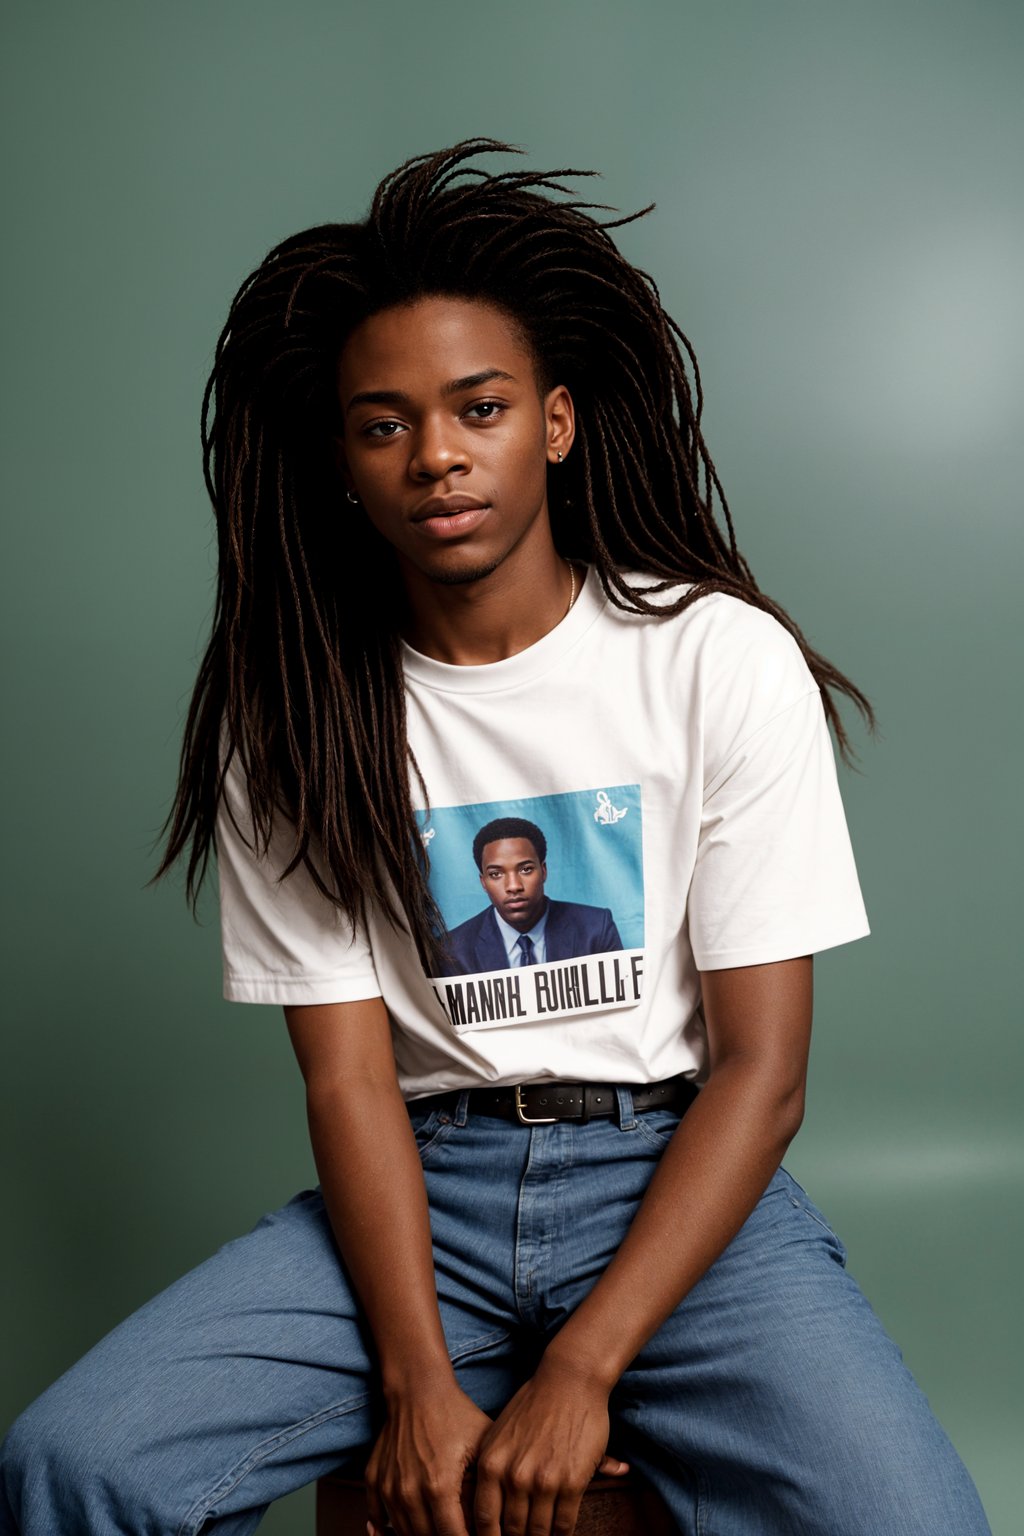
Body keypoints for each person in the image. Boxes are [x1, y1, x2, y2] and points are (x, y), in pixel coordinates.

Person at [0, 139, 992, 1536]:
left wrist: (583, 1367)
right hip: (427, 1198)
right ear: (345, 462)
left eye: (479, 406)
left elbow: (763, 1074)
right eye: (384, 423)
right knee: (72, 1462)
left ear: (558, 423)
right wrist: (414, 1380)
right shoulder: (299, 714)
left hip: (678, 1179)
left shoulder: (714, 659)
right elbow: (347, 1080)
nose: (437, 456)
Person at [439, 815, 624, 977]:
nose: (513, 886)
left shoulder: (596, 929)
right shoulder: (453, 951)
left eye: (526, 869)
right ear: (483, 882)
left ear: (543, 871)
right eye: (496, 874)